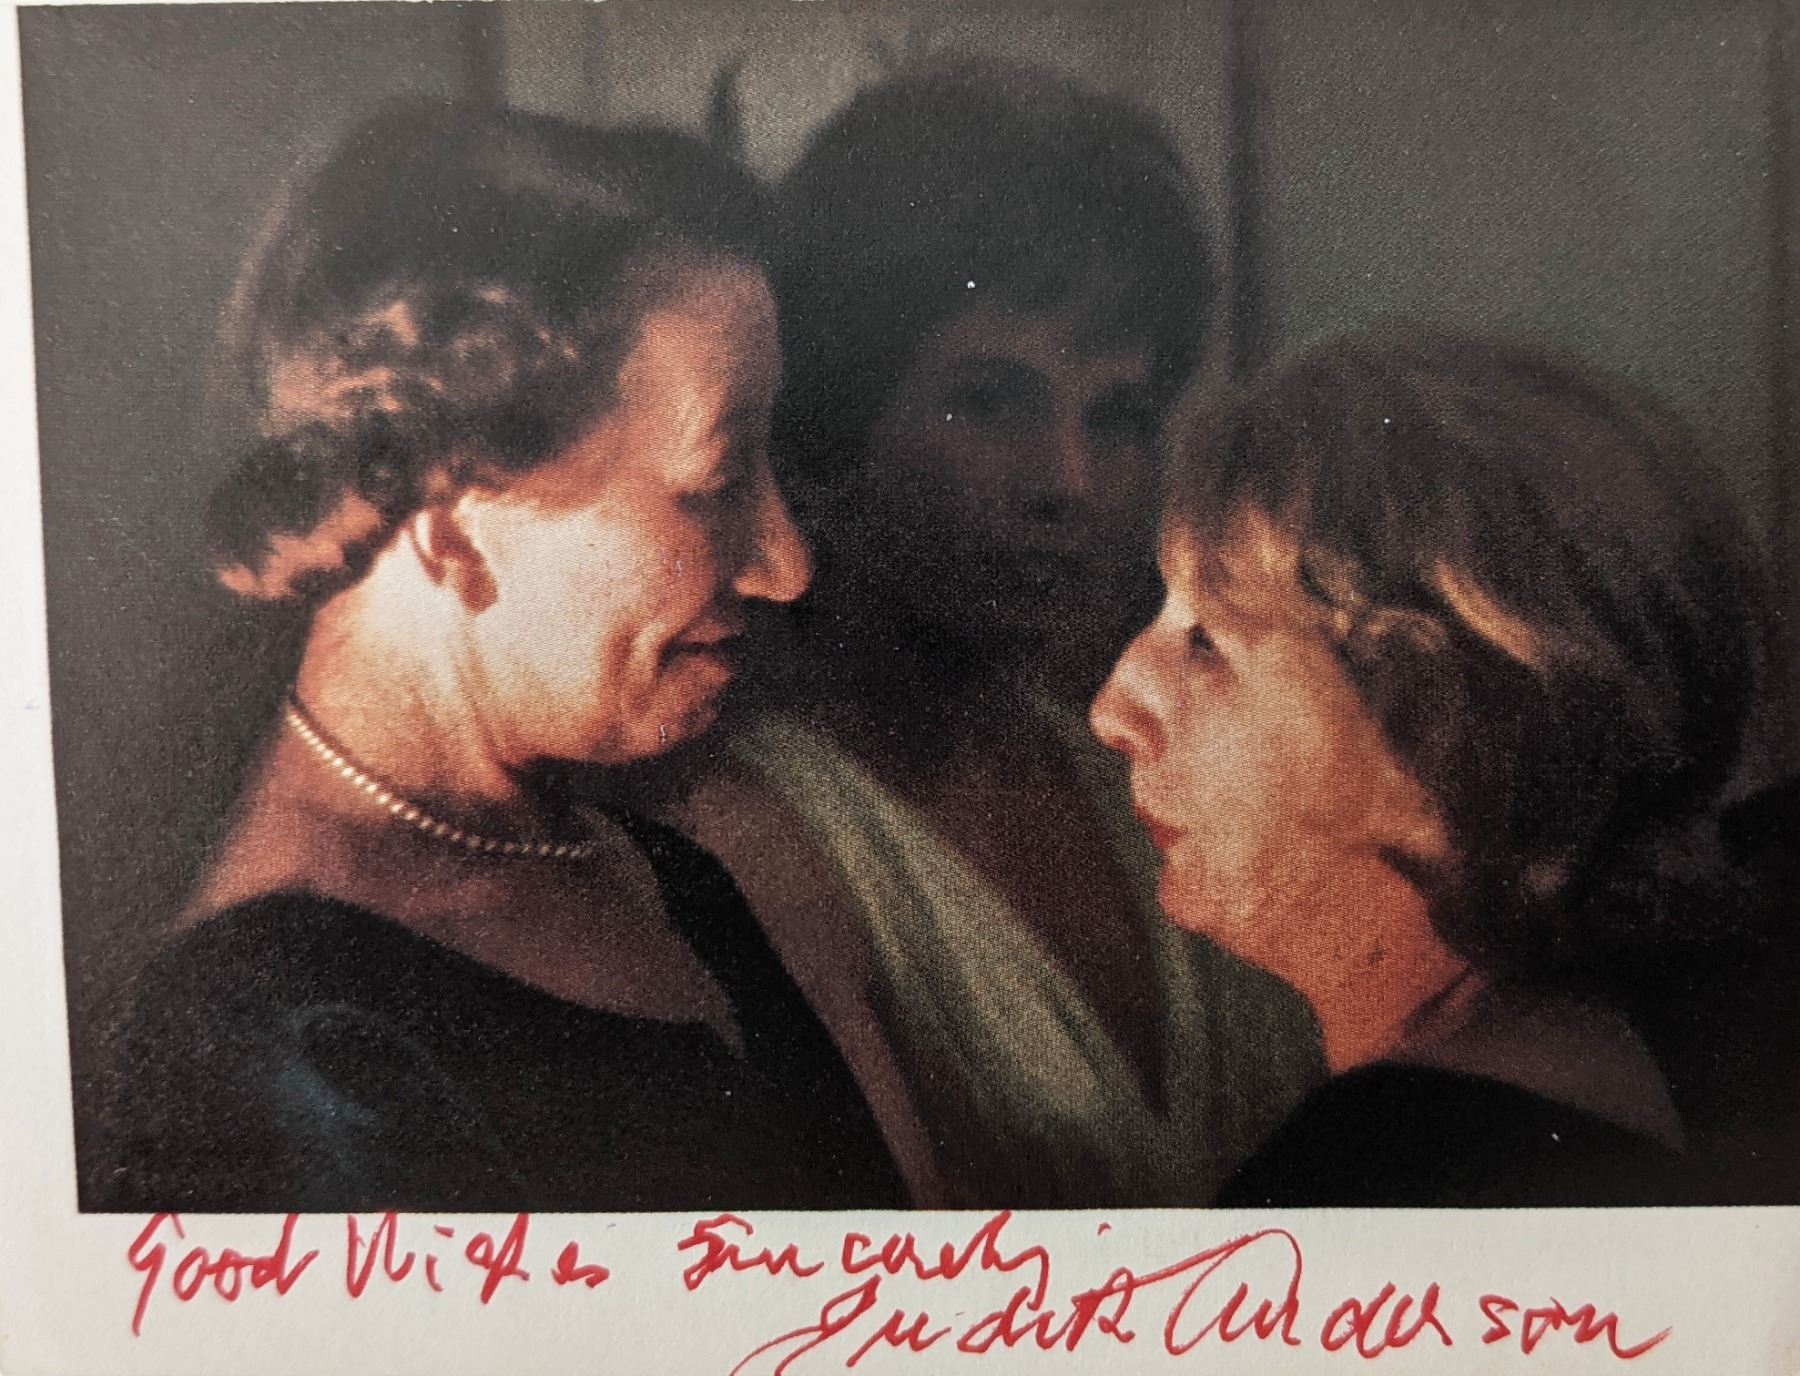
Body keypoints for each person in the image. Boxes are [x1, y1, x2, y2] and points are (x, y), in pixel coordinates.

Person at [100, 103, 905, 1212]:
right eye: (720, 479)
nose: (786, 563)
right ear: (451, 526)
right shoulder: (275, 1044)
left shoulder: (662, 874)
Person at [674, 60, 1321, 1208]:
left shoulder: (1138, 769)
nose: (1067, 480)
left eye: (1117, 416)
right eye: (988, 400)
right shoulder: (741, 830)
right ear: (837, 412)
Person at [1091, 327, 1774, 1207]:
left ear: (1452, 738)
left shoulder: (1390, 1171)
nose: (1111, 711)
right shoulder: (1595, 1074)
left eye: (1207, 644)